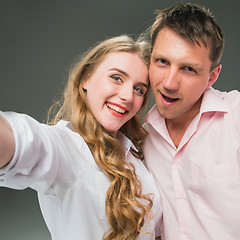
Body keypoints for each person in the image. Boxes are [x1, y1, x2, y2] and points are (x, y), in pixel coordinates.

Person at [0, 35, 162, 240]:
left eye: (139, 89)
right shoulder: (68, 148)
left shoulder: (138, 155)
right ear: (86, 78)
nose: (128, 96)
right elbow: (24, 140)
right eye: (116, 78)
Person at [143, 2, 240, 240]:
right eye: (162, 62)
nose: (169, 83)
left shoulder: (235, 116)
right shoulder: (140, 138)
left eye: (188, 68)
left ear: (212, 77)